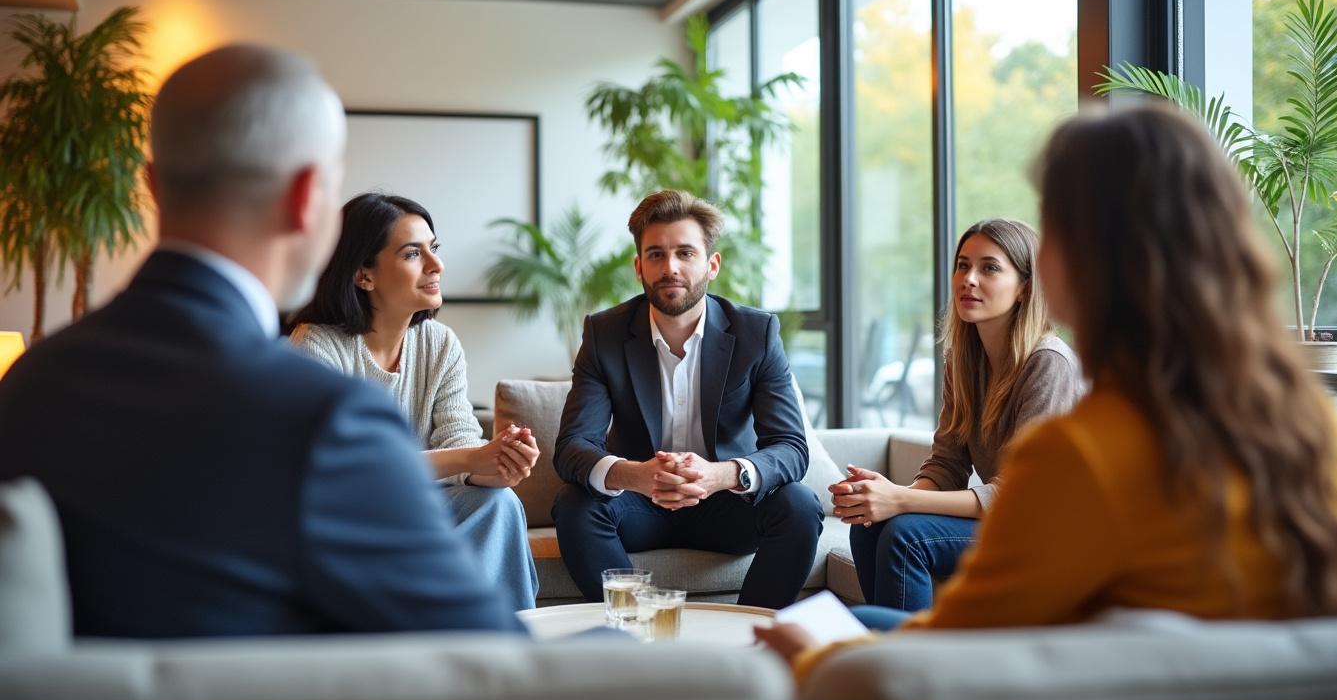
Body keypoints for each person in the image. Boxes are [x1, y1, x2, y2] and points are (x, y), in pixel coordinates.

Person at [755, 102, 1337, 681]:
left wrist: (815, 657)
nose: (970, 279)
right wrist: (892, 496)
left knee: (848, 622)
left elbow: (947, 656)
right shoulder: (1311, 426)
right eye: (964, 265)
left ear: (1063, 268)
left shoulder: (1079, 450)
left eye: (1051, 230)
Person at [0, 45, 524, 637]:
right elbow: (491, 662)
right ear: (306, 199)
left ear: (152, 184)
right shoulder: (326, 414)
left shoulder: (29, 385)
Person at [550, 190, 824, 610]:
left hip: (727, 505)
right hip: (640, 505)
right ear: (638, 266)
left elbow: (790, 447)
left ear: (711, 264)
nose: (670, 268)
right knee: (574, 506)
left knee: (800, 505)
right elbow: (571, 449)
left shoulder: (756, 333)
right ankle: (637, 628)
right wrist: (636, 475)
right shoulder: (604, 335)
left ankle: (749, 634)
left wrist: (721, 475)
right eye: (656, 255)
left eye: (685, 253)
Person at [291, 192, 540, 611]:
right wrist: (468, 460)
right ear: (363, 275)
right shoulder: (316, 347)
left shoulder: (439, 344)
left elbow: (460, 441)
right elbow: (345, 468)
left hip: (417, 509)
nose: (436, 265)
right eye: (412, 253)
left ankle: (508, 654)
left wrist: (499, 464)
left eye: (434, 249)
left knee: (499, 503)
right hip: (343, 518)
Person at [838, 218, 1083, 611]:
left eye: (989, 268)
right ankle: (885, 657)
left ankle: (918, 664)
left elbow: (1022, 495)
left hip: (1051, 534)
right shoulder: (963, 362)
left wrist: (902, 500)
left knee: (906, 534)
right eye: (962, 265)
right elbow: (947, 462)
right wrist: (881, 498)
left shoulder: (1048, 364)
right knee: (870, 526)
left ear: (1024, 288)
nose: (968, 279)